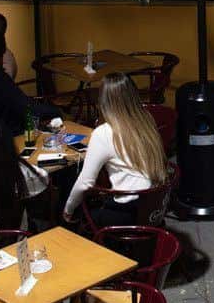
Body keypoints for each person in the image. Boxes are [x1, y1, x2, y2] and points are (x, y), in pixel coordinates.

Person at [63, 73, 166, 228]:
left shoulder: (104, 133)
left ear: (104, 101)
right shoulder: (146, 120)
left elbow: (85, 183)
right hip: (154, 204)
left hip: (127, 212)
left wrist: (68, 209)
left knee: (75, 213)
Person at [0, 30, 59, 135]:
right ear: (3, 50)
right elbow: (25, 106)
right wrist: (54, 111)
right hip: (4, 134)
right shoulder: (0, 77)